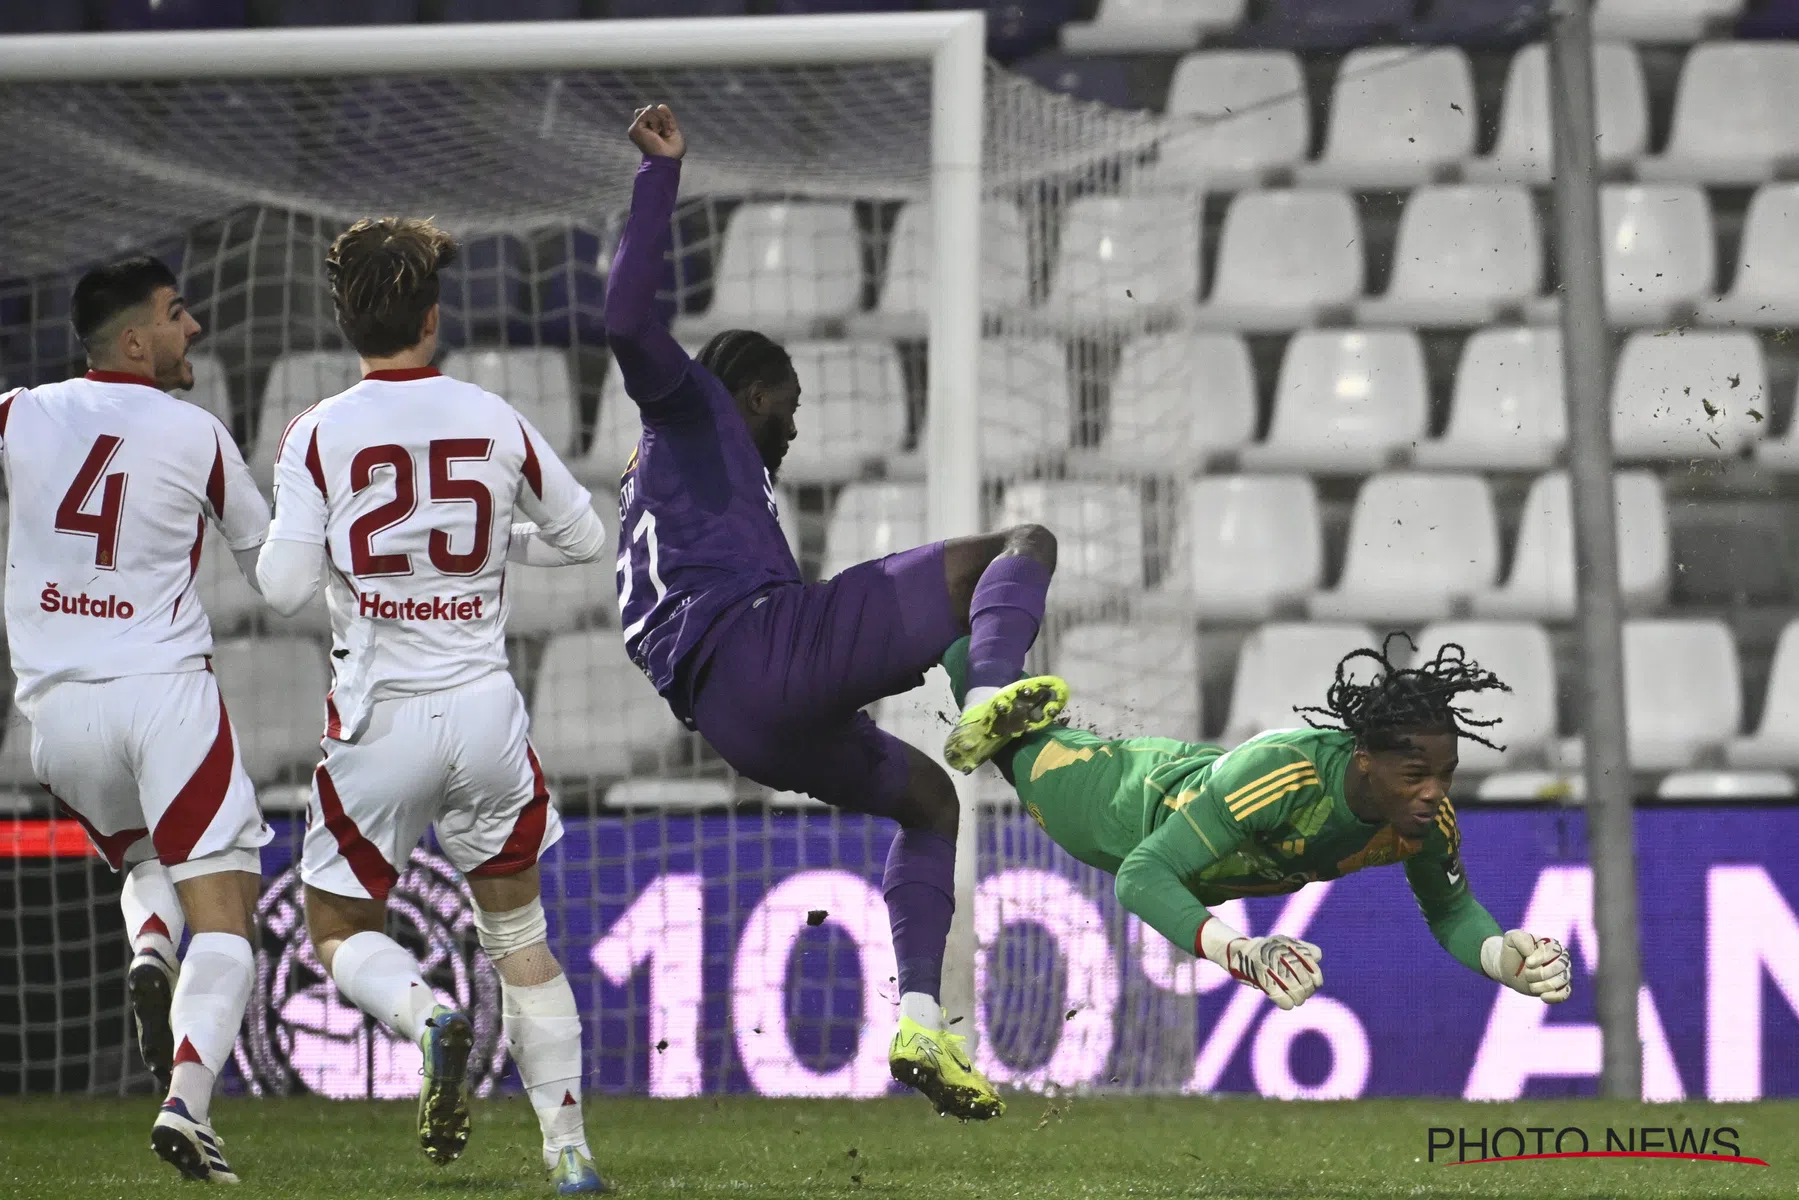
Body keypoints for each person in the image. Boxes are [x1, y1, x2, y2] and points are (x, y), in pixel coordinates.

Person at [605, 104, 1069, 1121]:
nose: (795, 425)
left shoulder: (665, 493)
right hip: (762, 648)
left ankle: (918, 1023)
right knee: (1016, 549)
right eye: (788, 402)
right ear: (749, 391)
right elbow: (624, 323)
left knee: (928, 802)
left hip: (737, 720)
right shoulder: (691, 413)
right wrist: (659, 178)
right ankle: (990, 695)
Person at [256, 217, 609, 1193]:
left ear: (344, 321)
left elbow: (283, 589)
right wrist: (498, 543)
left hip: (380, 723)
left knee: (333, 929)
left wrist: (334, 549)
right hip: (486, 715)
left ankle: (428, 1017)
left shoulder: (317, 433)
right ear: (434, 316)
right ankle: (569, 1153)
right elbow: (583, 540)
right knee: (519, 939)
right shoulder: (495, 418)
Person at [2, 256, 273, 1182]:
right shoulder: (195, 432)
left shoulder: (18, 413)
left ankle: (150, 946)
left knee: (145, 858)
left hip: (56, 721)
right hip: (162, 696)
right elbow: (273, 577)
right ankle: (187, 1107)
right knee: (231, 908)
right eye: (175, 314)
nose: (192, 328)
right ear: (132, 341)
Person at [945, 633, 1574, 1009]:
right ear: (1364, 760)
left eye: (1446, 773)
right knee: (1007, 738)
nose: (1434, 795)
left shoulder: (1427, 819)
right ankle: (936, 629)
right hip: (1119, 803)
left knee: (998, 705)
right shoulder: (1284, 775)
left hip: (1199, 789)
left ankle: (956, 618)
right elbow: (1141, 876)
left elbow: (1451, 910)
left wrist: (1499, 958)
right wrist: (1241, 954)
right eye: (1415, 776)